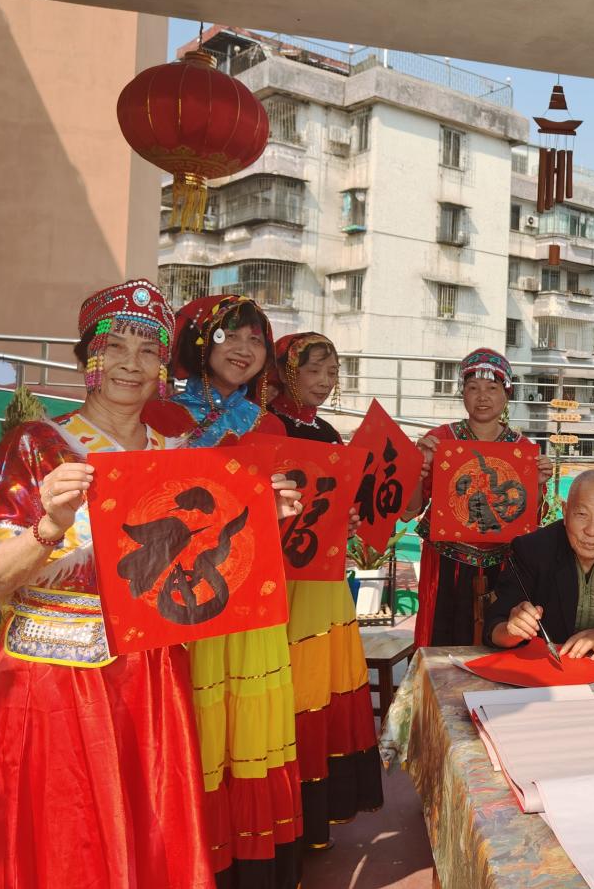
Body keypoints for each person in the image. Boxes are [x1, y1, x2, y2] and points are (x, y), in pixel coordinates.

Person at [0, 280, 215, 888]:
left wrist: (265, 520)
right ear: (89, 356)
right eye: (115, 346)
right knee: (60, 835)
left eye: (148, 350)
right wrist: (50, 526)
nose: (131, 363)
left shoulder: (180, 455)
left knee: (147, 831)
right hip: (54, 677)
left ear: (163, 367)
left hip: (152, 672)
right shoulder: (37, 445)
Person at [145, 294, 302, 889]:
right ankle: (190, 859)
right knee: (194, 724)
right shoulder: (157, 415)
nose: (244, 349)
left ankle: (249, 861)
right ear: (199, 341)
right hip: (178, 598)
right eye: (230, 336)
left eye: (256, 340)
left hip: (249, 594)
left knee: (246, 725)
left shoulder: (268, 426)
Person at [267, 332, 383, 850]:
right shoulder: (267, 425)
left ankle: (318, 813)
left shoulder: (331, 434)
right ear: (287, 371)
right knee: (295, 688)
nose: (324, 381)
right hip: (286, 581)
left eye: (332, 373)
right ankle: (288, 813)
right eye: (313, 370)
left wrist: (348, 521)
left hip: (327, 580)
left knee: (323, 685)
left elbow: (337, 507)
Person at [406, 348, 553, 648]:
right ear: (462, 393)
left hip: (503, 567)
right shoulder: (439, 440)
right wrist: (416, 469)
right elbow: (409, 511)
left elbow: (529, 523)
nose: (482, 397)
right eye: (473, 388)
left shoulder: (523, 449)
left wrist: (537, 484)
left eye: (492, 388)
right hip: (445, 564)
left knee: (498, 646)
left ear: (507, 394)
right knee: (440, 644)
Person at [485, 469, 594, 656]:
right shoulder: (532, 550)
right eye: (582, 514)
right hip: (546, 666)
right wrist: (511, 631)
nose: (592, 531)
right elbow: (494, 626)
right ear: (565, 511)